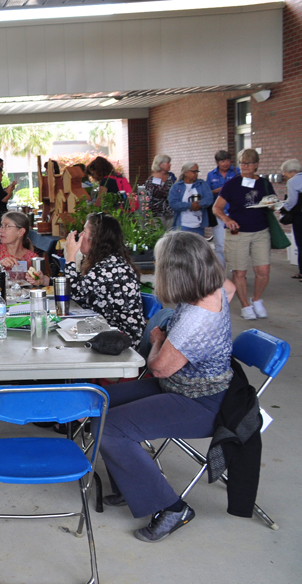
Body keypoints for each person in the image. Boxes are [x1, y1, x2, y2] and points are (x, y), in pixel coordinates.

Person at [99, 231, 236, 542]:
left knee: (110, 428)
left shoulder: (196, 319)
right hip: (182, 388)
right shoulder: (214, 288)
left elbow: (158, 367)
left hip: (201, 402)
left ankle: (172, 508)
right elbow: (231, 287)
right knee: (100, 400)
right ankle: (130, 483)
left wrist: (161, 340)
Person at [28, 213, 147, 344]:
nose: (80, 236)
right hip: (104, 330)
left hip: (120, 340)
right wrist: (46, 280)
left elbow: (75, 293)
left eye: (84, 231)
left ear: (94, 239)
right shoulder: (107, 262)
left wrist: (70, 255)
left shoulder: (109, 267)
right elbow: (82, 285)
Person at [212, 148, 277, 320]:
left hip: (260, 231)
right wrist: (226, 219)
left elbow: (272, 204)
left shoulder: (264, 183)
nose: (244, 166)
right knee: (239, 271)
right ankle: (245, 306)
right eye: (242, 163)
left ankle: (256, 299)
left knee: (263, 269)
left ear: (256, 165)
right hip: (238, 232)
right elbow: (216, 208)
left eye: (248, 163)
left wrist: (274, 204)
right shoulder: (232, 184)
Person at [206, 150, 239, 267]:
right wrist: (219, 190)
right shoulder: (211, 175)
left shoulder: (237, 171)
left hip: (234, 212)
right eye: (222, 161)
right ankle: (221, 271)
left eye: (227, 160)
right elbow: (207, 193)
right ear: (217, 162)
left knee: (236, 243)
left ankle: (235, 268)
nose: (225, 163)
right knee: (220, 244)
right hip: (219, 213)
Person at [169, 163, 214, 235]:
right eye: (194, 171)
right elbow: (173, 204)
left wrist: (199, 205)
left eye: (197, 172)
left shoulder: (202, 184)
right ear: (185, 172)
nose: (196, 174)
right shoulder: (176, 186)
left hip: (199, 225)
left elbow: (209, 198)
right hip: (183, 225)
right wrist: (189, 205)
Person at [281, 159, 302, 280]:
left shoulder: (293, 181)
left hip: (300, 216)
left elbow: (292, 201)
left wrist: (282, 206)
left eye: (285, 172)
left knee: (300, 243)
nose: (284, 175)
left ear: (293, 171)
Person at [145, 154, 176, 229]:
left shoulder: (170, 177)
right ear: (160, 165)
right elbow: (147, 199)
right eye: (168, 163)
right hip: (156, 215)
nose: (170, 164)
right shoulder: (151, 180)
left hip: (170, 214)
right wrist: (149, 217)